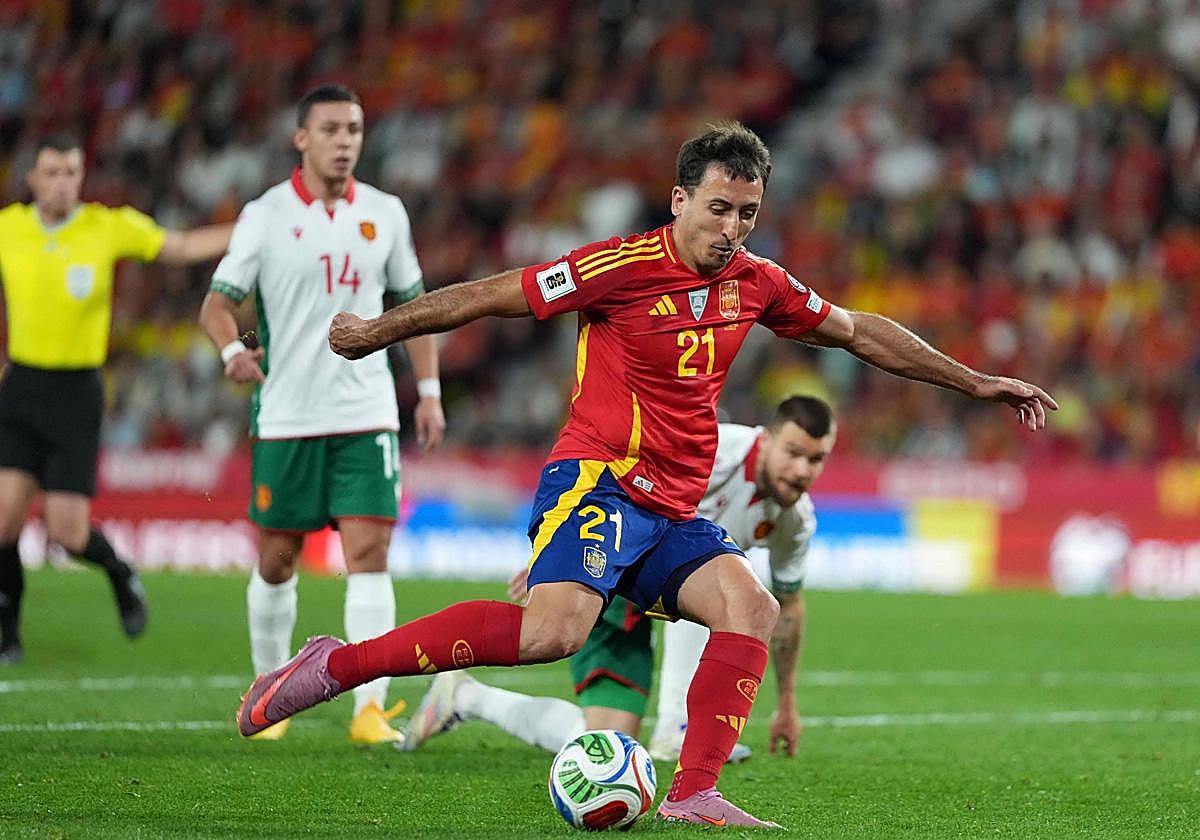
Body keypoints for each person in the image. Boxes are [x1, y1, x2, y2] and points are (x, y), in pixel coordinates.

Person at [239, 121, 1055, 828]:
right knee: (550, 633)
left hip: (673, 504)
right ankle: (337, 664)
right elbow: (494, 295)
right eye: (718, 209)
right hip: (597, 481)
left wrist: (975, 381)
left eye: (747, 214)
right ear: (679, 201)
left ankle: (692, 793)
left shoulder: (756, 284)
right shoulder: (619, 267)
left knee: (750, 605)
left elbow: (857, 331)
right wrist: (380, 330)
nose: (731, 229)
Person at [200, 85, 444, 745]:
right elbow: (217, 304)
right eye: (331, 129)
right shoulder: (266, 215)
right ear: (301, 138)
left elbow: (415, 308)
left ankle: (370, 709)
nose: (345, 141)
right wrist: (230, 350)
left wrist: (429, 392)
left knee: (369, 551)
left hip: (365, 413)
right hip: (286, 415)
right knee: (278, 559)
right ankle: (269, 690)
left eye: (355, 129)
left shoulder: (387, 213)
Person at [400, 395, 835, 765]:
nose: (802, 470)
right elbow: (616, 475)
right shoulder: (714, 451)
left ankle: (467, 698)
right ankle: (675, 727)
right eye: (793, 453)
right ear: (767, 438)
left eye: (815, 459)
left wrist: (787, 703)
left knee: (608, 746)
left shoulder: (796, 520)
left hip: (671, 589)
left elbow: (789, 610)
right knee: (712, 588)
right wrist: (559, 547)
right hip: (615, 574)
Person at [0, 134, 233, 665]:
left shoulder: (106, 227)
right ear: (32, 179)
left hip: (76, 392)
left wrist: (248, 231)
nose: (62, 182)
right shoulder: (8, 228)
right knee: (2, 523)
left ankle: (121, 573)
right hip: (21, 387)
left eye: (71, 171)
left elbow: (177, 246)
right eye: (52, 171)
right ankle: (9, 633)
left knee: (66, 532)